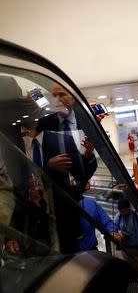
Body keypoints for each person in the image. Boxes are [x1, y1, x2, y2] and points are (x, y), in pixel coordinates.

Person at [36, 83, 98, 254]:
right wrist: (49, 165)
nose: (57, 99)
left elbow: (90, 167)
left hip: (79, 197)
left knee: (87, 246)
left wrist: (88, 154)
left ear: (72, 97)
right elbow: (32, 160)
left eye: (62, 94)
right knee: (65, 248)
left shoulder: (86, 123)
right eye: (54, 95)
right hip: (55, 198)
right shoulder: (44, 123)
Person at [114, 199, 138, 276]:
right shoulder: (118, 217)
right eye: (121, 211)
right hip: (126, 249)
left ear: (129, 207)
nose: (122, 213)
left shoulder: (137, 216)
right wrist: (119, 234)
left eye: (124, 211)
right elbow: (114, 230)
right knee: (130, 271)